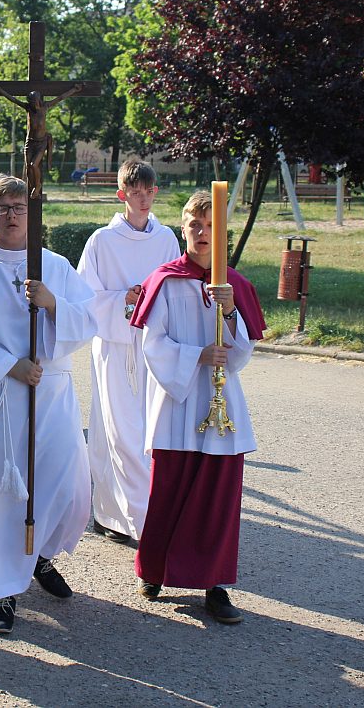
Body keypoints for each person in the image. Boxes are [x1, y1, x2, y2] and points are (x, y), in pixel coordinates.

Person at [0, 175, 97, 635]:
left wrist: (52, 304)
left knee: (64, 485)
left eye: (19, 207)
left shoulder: (54, 265)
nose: (11, 214)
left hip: (49, 393)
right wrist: (9, 365)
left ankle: (39, 557)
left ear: (32, 213)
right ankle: (2, 592)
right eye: (1, 207)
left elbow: (87, 319)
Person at [128, 189, 267, 624]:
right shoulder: (166, 280)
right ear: (183, 229)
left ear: (223, 233)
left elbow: (242, 354)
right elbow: (153, 346)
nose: (202, 233)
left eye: (211, 227)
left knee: (217, 500)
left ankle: (215, 585)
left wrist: (229, 314)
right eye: (194, 225)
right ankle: (155, 571)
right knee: (169, 491)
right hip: (179, 403)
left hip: (222, 407)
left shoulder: (235, 286)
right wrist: (197, 356)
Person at [76, 160, 181, 544]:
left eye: (148, 191)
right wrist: (125, 299)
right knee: (117, 431)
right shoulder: (101, 242)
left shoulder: (167, 238)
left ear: (156, 192)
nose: (142, 198)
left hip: (152, 343)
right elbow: (85, 298)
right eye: (134, 192)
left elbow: (175, 286)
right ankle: (131, 518)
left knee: (149, 429)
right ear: (122, 195)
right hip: (115, 344)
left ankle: (123, 514)